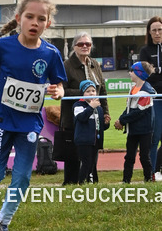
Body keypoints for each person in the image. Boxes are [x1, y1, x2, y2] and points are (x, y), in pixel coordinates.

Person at [0, 0, 66, 231]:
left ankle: (2, 224)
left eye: (41, 19)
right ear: (19, 19)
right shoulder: (4, 46)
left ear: (47, 24)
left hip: (29, 124)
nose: (35, 22)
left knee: (22, 177)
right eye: (30, 17)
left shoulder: (51, 54)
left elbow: (59, 84)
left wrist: (58, 91)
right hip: (0, 118)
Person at [59, 32, 110, 184]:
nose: (85, 47)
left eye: (87, 44)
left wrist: (105, 113)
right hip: (73, 118)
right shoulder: (66, 66)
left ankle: (91, 182)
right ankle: (71, 184)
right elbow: (63, 91)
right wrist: (84, 94)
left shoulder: (95, 64)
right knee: (73, 156)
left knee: (91, 154)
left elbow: (103, 92)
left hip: (94, 120)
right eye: (81, 44)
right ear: (74, 47)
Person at [114, 61, 155, 183]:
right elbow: (128, 108)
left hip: (145, 130)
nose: (130, 73)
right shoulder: (133, 89)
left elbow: (139, 112)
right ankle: (126, 181)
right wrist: (120, 119)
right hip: (133, 130)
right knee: (129, 157)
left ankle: (148, 180)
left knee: (144, 157)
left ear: (139, 73)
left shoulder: (147, 91)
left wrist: (122, 120)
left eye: (132, 70)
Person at [138, 16, 162, 177]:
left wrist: (157, 71)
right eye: (154, 30)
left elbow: (154, 72)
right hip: (155, 100)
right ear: (149, 32)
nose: (157, 33)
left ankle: (158, 169)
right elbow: (145, 75)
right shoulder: (145, 51)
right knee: (155, 138)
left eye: (160, 29)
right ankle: (152, 173)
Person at [73, 80, 105, 183]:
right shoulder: (78, 105)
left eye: (93, 91)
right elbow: (82, 118)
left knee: (92, 163)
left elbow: (98, 124)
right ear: (82, 93)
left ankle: (91, 181)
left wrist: (106, 123)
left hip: (94, 140)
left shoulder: (98, 107)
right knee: (86, 162)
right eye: (88, 91)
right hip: (83, 140)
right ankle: (81, 182)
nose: (91, 93)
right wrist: (91, 107)